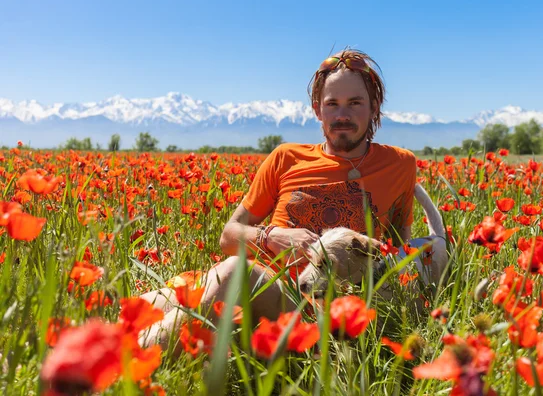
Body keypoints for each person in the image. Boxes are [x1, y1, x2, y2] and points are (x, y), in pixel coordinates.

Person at [140, 48, 417, 350]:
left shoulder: (399, 165)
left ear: (374, 106)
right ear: (317, 109)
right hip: (257, 282)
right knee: (141, 307)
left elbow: (397, 253)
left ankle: (132, 367)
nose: (342, 115)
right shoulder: (286, 157)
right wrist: (273, 236)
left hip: (314, 309)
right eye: (332, 104)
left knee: (234, 272)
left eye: (355, 103)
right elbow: (229, 237)